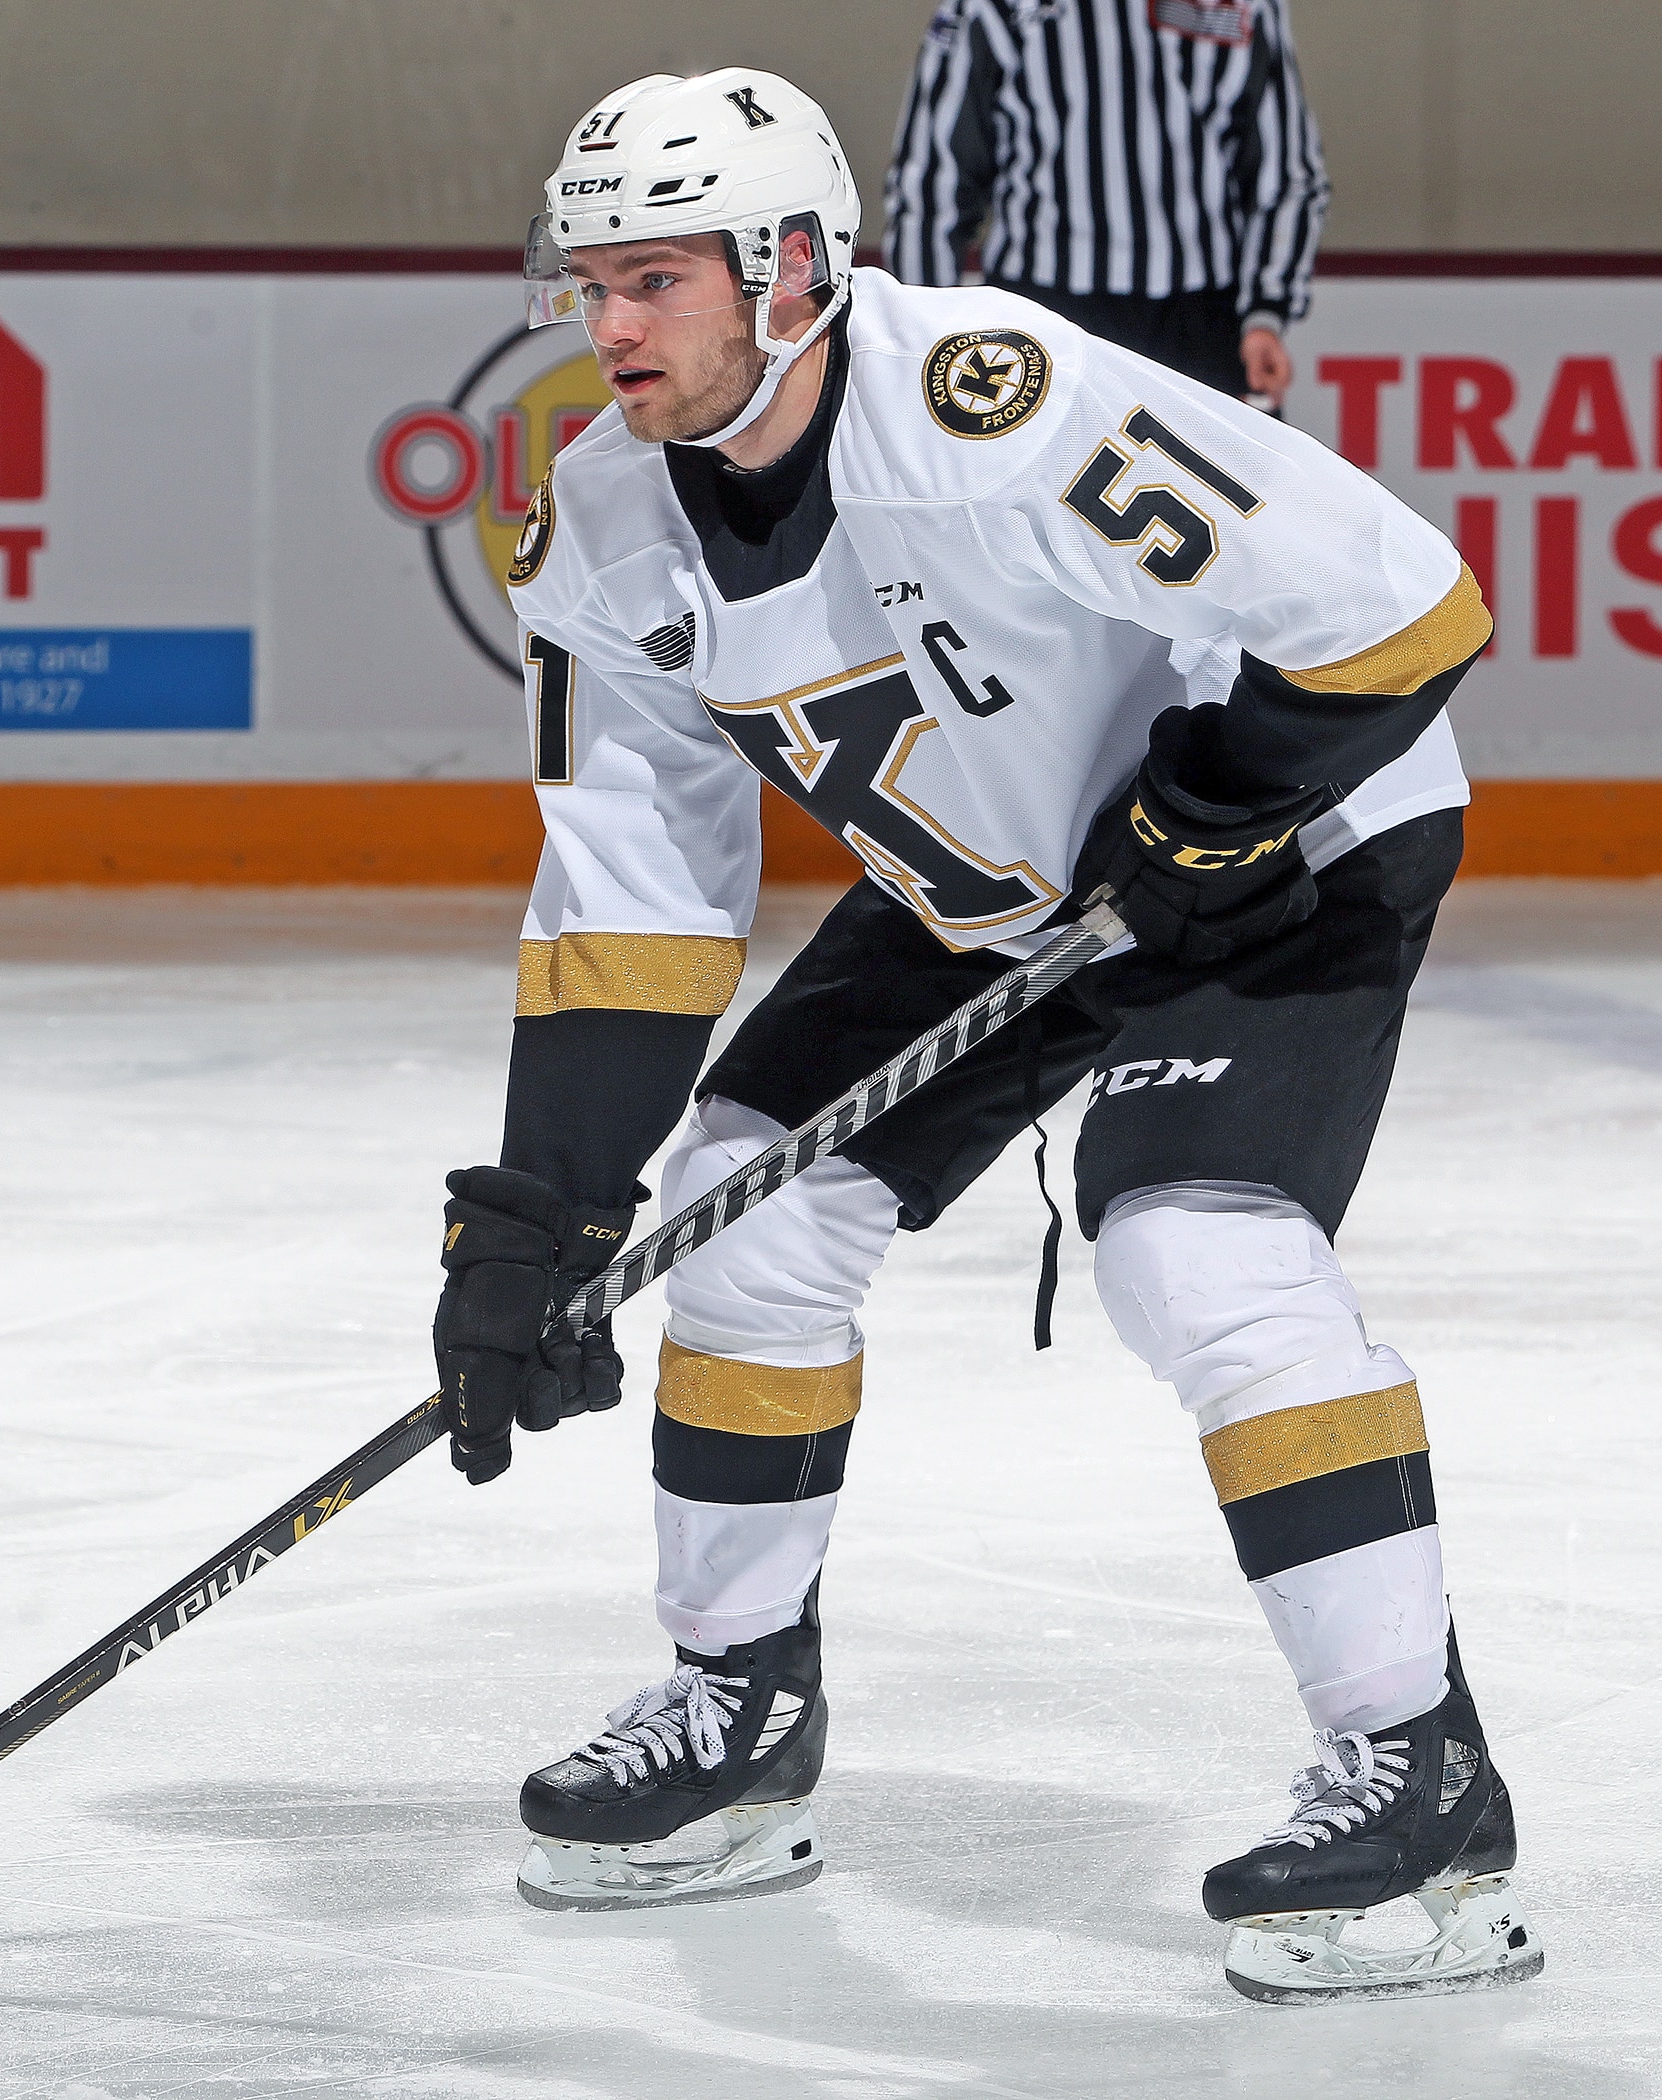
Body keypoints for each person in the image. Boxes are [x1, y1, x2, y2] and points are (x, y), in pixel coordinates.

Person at [430, 66, 1540, 2001]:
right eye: (586, 278)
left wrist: (1224, 792)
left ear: (788, 269)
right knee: (740, 1216)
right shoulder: (600, 527)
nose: (601, 325)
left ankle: (1417, 1778)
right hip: (994, 881)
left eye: (652, 280)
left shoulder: (987, 409)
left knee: (1190, 1249)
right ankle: (735, 1716)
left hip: (1280, 835)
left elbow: (1397, 604)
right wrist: (543, 1210)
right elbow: (630, 877)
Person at [882, 0, 1330, 409]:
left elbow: (1286, 171)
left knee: (1218, 496)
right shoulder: (990, 8)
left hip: (1203, 323)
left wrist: (1264, 315)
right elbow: (932, 179)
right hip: (1044, 321)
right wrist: (927, 336)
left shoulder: (1245, 7)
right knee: (1039, 494)